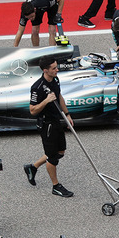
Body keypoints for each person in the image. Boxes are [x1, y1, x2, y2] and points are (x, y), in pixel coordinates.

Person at [24, 56, 74, 198]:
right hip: (47, 125)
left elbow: (59, 97)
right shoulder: (37, 87)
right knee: (53, 157)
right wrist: (46, 101)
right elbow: (32, 110)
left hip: (57, 120)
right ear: (45, 70)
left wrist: (67, 114)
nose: (57, 69)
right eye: (54, 68)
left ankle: (32, 167)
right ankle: (56, 186)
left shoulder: (56, 79)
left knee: (60, 151)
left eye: (56, 67)